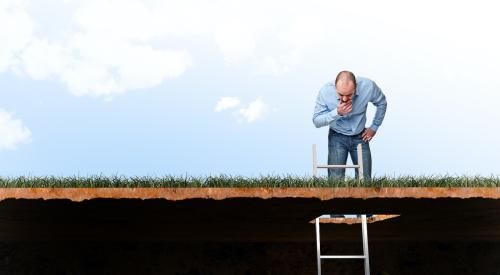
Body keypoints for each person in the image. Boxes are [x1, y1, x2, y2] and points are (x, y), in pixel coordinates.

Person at [312, 71, 387, 180]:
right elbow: (316, 121)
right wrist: (336, 113)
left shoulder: (368, 86)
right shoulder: (325, 92)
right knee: (335, 180)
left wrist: (374, 127)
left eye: (349, 95)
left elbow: (382, 103)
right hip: (337, 136)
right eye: (340, 94)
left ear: (356, 87)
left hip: (360, 136)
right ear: (335, 87)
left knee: (365, 180)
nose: (345, 99)